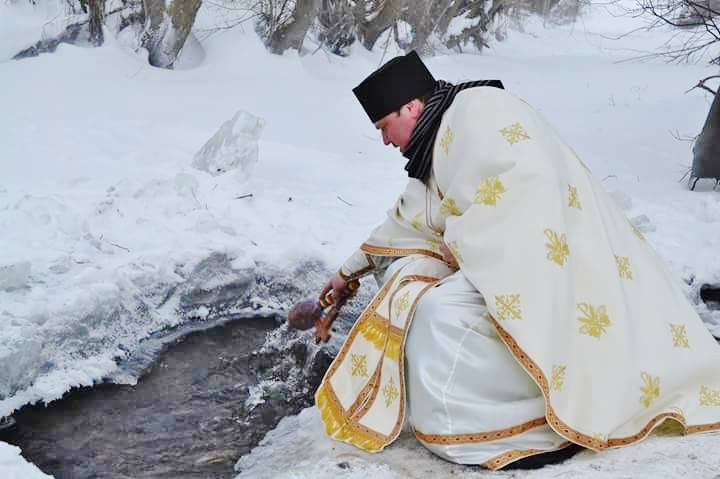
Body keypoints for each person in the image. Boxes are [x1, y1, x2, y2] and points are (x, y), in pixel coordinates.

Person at [314, 51, 720, 470]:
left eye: (384, 128)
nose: (384, 141)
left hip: (560, 261)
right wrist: (347, 272)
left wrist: (461, 239)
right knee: (415, 292)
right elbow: (409, 217)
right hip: (513, 260)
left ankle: (531, 424)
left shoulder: (481, 112)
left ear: (411, 107)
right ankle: (480, 419)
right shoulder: (438, 138)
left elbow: (526, 184)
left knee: (438, 313)